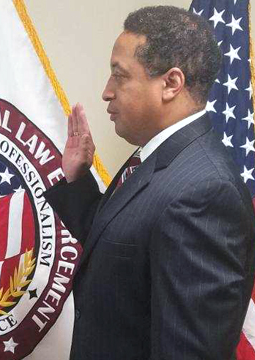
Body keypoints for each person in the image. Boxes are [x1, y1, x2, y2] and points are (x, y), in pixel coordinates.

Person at [44, 6, 255, 360]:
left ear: (171, 84)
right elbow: (122, 240)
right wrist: (78, 178)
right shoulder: (157, 155)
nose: (106, 92)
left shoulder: (204, 192)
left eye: (119, 75)